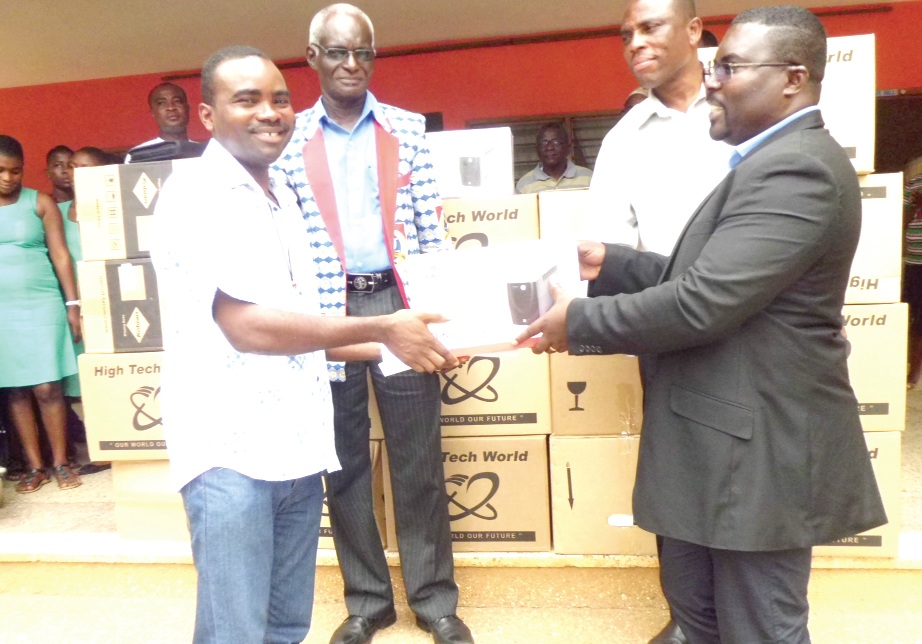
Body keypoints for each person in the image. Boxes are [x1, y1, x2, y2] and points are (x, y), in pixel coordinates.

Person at [517, 6, 887, 642]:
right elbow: (707, 278)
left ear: (793, 79)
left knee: (758, 627)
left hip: (755, 458)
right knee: (701, 619)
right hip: (715, 442)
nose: (713, 80)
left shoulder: (796, 168)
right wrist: (614, 263)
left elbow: (702, 303)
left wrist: (576, 319)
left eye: (731, 67)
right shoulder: (760, 161)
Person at [151, 45, 456, 644]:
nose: (269, 113)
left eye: (279, 99)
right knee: (236, 631)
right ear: (208, 115)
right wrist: (381, 328)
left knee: (286, 626)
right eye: (247, 100)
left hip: (294, 449)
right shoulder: (197, 195)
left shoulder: (282, 198)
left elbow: (303, 327)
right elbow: (248, 327)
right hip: (231, 454)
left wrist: (406, 348)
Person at [273, 5, 474, 644]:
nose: (351, 64)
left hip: (401, 303)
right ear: (313, 57)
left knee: (418, 460)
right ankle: (367, 602)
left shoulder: (406, 129)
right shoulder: (289, 141)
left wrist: (448, 322)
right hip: (328, 315)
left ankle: (434, 601)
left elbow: (429, 231)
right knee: (343, 463)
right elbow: (288, 244)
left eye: (362, 52)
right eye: (337, 52)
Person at [588, 0, 731, 256]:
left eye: (650, 28)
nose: (635, 44)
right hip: (666, 283)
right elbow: (612, 252)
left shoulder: (744, 110)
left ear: (693, 31)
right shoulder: (621, 140)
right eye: (627, 37)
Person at [0, 134, 82, 493]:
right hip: (3, 312)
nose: (8, 178)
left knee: (48, 386)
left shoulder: (40, 202)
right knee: (16, 389)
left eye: (15, 171)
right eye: (1, 171)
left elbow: (61, 255)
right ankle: (36, 466)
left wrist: (73, 304)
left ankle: (61, 461)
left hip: (42, 303)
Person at [515, 122, 593, 194]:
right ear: (537, 149)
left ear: (568, 148)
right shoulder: (524, 185)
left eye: (556, 142)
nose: (549, 147)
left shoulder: (589, 178)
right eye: (543, 142)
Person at [124, 82, 193, 162]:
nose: (171, 107)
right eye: (161, 103)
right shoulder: (138, 155)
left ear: (187, 108)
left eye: (177, 101)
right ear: (153, 113)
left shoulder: (203, 152)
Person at [903, 154, 922, 388]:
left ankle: (914, 373)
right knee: (909, 315)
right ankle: (906, 366)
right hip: (914, 261)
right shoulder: (915, 182)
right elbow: (902, 216)